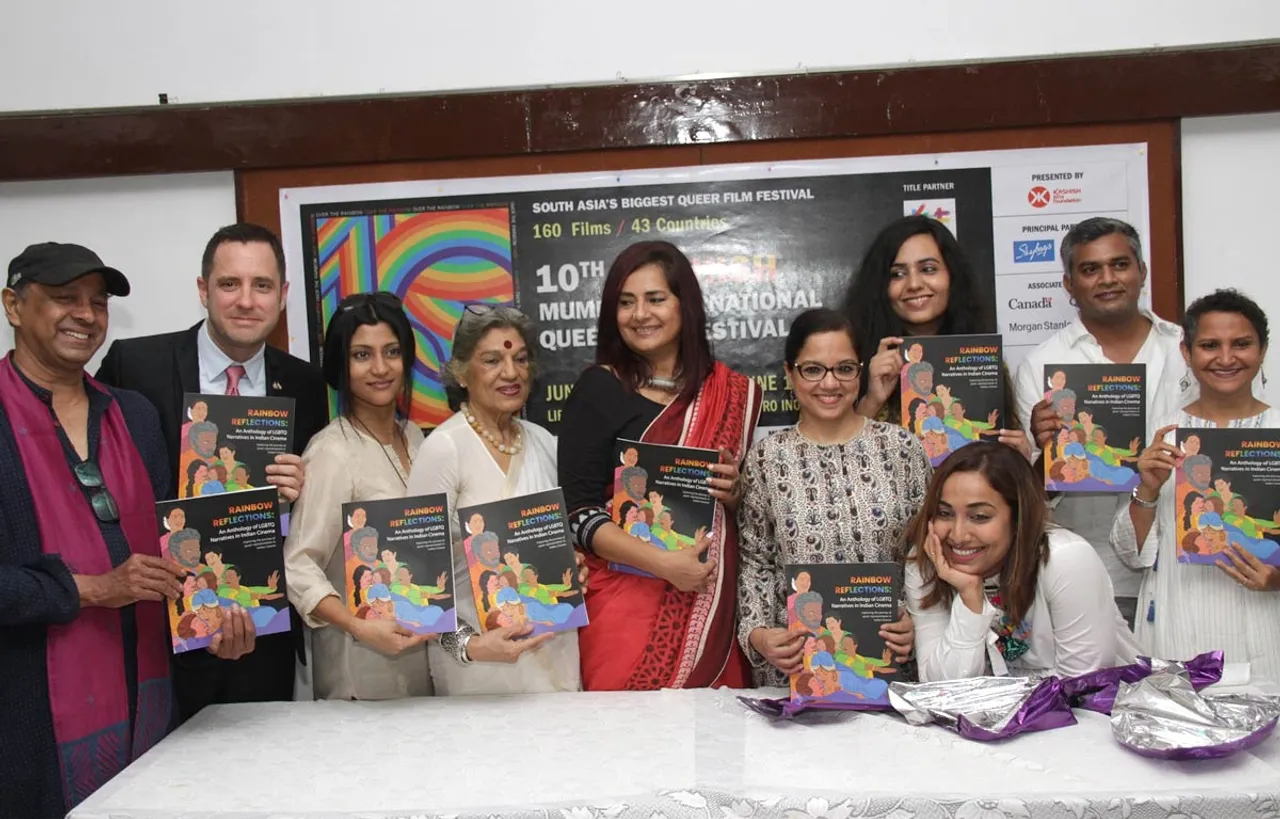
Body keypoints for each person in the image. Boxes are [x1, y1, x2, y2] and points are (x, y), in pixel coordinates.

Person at [0, 243, 252, 818]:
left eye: (99, 302)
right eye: (65, 298)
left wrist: (210, 623)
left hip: (151, 710)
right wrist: (88, 589)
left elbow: (175, 549)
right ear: (13, 306)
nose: (86, 315)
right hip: (27, 723)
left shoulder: (134, 414)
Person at [95, 222, 328, 719]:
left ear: (283, 295)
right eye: (229, 284)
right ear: (203, 290)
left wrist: (300, 492)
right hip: (158, 630)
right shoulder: (135, 365)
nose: (246, 300)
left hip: (260, 632)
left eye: (261, 285)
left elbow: (312, 523)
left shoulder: (305, 385)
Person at [559, 240, 762, 690]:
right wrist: (664, 564)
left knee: (705, 751)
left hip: (706, 604)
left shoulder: (729, 394)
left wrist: (735, 492)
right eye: (626, 302)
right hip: (622, 609)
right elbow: (578, 514)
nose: (640, 314)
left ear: (683, 305)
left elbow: (747, 521)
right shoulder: (598, 389)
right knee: (625, 751)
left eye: (655, 299)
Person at [1014, 218, 1193, 629]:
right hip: (1093, 578)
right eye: (1090, 269)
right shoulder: (1040, 365)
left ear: (1142, 272)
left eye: (1120, 264)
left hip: (1189, 573)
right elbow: (1031, 493)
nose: (1107, 279)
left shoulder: (1187, 351)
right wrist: (1046, 452)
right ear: (1069, 284)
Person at [737, 309, 926, 686]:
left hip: (889, 668)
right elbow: (755, 560)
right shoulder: (766, 458)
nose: (830, 383)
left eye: (844, 368)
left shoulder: (902, 448)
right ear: (790, 374)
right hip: (798, 671)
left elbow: (928, 552)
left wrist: (920, 622)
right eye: (813, 370)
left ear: (860, 371)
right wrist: (758, 635)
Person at [407, 304, 581, 694]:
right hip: (479, 671)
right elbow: (415, 583)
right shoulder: (445, 449)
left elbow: (561, 541)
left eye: (520, 359)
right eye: (492, 360)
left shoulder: (543, 443)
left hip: (555, 654)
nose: (510, 372)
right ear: (461, 372)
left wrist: (575, 564)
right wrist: (470, 646)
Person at [1112, 289, 1280, 682]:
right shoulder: (1163, 433)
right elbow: (1130, 554)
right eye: (1209, 345)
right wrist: (1147, 489)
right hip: (1179, 617)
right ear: (1187, 353)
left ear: (1263, 349)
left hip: (1265, 621)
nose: (1225, 358)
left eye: (1241, 344)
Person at [283, 292, 432, 699]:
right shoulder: (332, 451)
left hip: (425, 662)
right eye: (362, 355)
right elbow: (299, 566)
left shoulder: (416, 439)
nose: (380, 368)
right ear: (340, 366)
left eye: (392, 352)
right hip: (358, 673)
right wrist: (358, 626)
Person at [907, 442, 1141, 681]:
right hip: (1004, 715)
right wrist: (969, 597)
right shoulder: (928, 561)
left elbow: (1085, 687)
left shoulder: (1066, 558)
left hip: (1110, 712)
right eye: (945, 513)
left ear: (1019, 518)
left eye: (979, 517)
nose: (957, 535)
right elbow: (940, 690)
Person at [841, 215, 1028, 459]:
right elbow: (835, 466)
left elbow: (1001, 468)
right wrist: (872, 400)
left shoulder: (985, 363)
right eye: (897, 274)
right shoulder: (851, 363)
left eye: (928, 269)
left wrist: (1020, 458)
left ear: (952, 276)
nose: (914, 284)